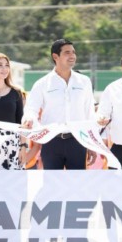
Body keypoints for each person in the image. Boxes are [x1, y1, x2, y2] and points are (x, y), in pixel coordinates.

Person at [22, 39, 96, 170]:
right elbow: (31, 109)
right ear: (55, 56)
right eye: (67, 52)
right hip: (51, 142)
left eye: (73, 52)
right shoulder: (42, 83)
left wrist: (92, 144)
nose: (72, 56)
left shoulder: (84, 82)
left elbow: (89, 113)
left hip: (78, 141)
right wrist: (29, 119)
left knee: (78, 181)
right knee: (51, 181)